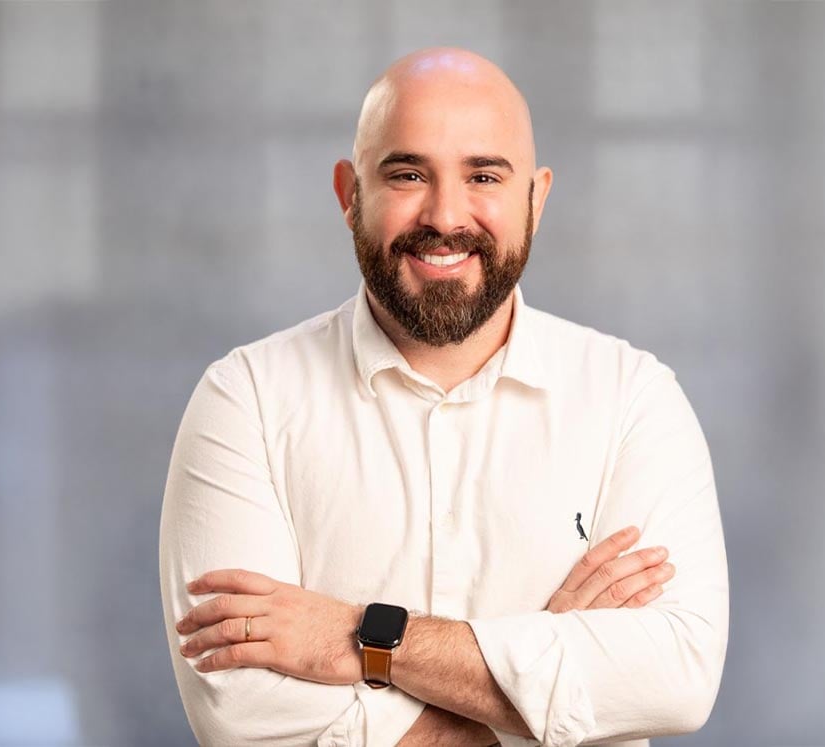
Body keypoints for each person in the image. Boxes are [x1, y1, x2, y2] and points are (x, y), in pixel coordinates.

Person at [159, 47, 728, 747]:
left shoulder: (632, 400)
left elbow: (676, 675)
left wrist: (363, 637)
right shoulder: (244, 399)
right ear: (349, 193)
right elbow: (236, 710)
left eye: (484, 174)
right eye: (407, 173)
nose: (446, 214)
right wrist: (537, 677)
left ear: (536, 198)